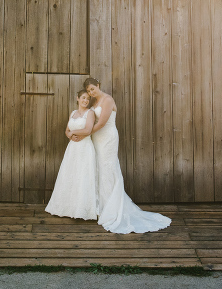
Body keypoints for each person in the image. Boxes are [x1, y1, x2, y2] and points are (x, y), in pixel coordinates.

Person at [71, 77, 171, 234]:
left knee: (107, 169)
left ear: (98, 85)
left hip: (107, 138)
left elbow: (102, 123)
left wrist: (84, 134)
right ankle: (100, 207)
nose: (91, 92)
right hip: (96, 138)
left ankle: (112, 209)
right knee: (98, 169)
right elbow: (89, 121)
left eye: (92, 89)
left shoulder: (107, 99)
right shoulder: (94, 103)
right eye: (89, 91)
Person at [45, 90, 98, 220]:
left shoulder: (90, 113)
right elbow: (67, 130)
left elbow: (88, 130)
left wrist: (74, 132)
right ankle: (67, 207)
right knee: (70, 174)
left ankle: (82, 209)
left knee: (83, 176)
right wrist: (69, 134)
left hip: (85, 147)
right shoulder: (73, 113)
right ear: (78, 98)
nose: (86, 101)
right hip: (73, 148)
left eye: (88, 99)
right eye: (83, 98)